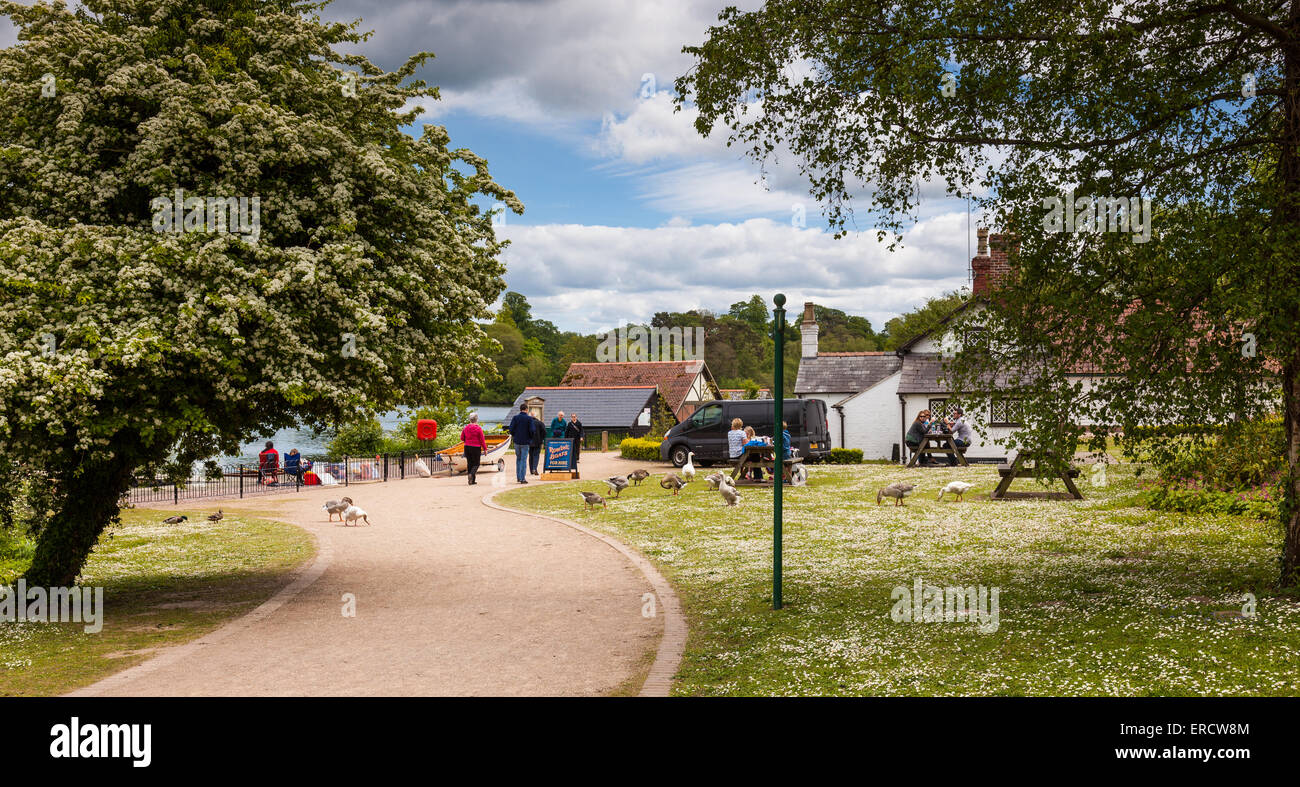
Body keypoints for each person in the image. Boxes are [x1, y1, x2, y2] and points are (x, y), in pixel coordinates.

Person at [508, 404, 534, 483]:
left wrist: (515, 435)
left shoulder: (515, 418)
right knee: (523, 460)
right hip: (525, 442)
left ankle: (518, 477)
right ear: (526, 409)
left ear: (520, 409)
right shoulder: (529, 419)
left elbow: (511, 429)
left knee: (518, 459)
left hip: (517, 441)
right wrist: (530, 438)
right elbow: (532, 430)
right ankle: (522, 478)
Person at [460, 413, 487, 485]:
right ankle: (471, 474)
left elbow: (462, 438)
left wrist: (467, 440)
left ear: (470, 419)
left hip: (467, 447)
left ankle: (472, 481)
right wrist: (485, 449)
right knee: (476, 463)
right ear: (476, 419)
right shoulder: (478, 428)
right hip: (476, 447)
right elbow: (482, 440)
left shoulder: (465, 428)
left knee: (470, 463)